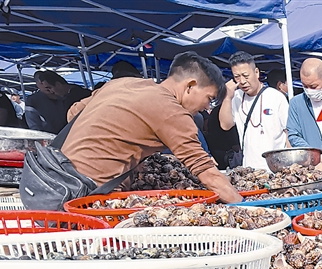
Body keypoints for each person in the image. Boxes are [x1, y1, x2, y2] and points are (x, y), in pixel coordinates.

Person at [60, 52, 241, 203]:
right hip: (90, 196)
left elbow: (72, 113)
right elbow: (209, 175)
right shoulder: (171, 110)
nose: (207, 107)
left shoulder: (124, 83)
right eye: (209, 98)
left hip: (59, 177)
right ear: (190, 86)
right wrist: (249, 209)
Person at [218, 52, 289, 170]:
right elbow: (225, 125)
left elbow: (288, 132)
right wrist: (227, 98)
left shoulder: (276, 97)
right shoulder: (236, 97)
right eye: (237, 77)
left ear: (256, 72)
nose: (242, 81)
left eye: (246, 75)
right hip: (250, 169)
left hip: (277, 169)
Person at [26, 71, 90, 133]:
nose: (51, 91)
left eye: (50, 88)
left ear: (58, 84)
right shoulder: (83, 92)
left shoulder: (72, 99)